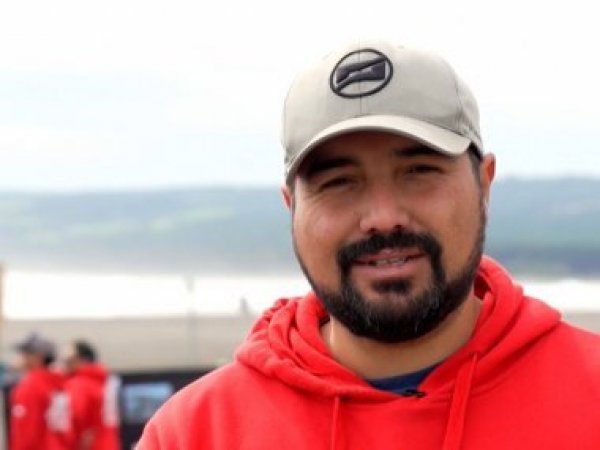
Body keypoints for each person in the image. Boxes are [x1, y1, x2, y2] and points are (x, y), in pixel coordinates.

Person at [136, 40, 600, 449]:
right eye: (339, 182)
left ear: (484, 185)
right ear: (291, 208)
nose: (382, 217)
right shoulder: (194, 433)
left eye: (418, 171)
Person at [9, 332, 70, 450]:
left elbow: (26, 433)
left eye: (24, 354)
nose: (20, 358)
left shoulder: (32, 385)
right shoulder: (59, 382)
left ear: (38, 357)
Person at [62, 340, 121, 450]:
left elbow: (76, 417)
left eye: (68, 360)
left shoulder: (78, 384)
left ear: (82, 360)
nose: (64, 365)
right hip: (110, 444)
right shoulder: (107, 382)